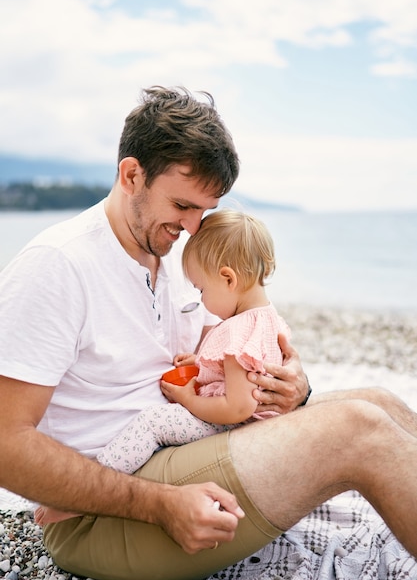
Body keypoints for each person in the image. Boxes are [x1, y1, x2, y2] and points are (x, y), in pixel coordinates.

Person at [1, 86, 417, 580]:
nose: (194, 226)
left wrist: (293, 390)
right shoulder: (58, 265)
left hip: (185, 444)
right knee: (360, 430)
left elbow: (226, 353)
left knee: (380, 402)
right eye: (182, 204)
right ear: (132, 175)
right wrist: (158, 504)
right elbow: (6, 443)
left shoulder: (173, 254)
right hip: (103, 512)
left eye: (205, 208)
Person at [35, 208, 291, 526]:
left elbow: (238, 406)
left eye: (201, 290)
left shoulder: (236, 330)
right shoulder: (267, 318)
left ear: (228, 278)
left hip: (239, 426)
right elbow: (245, 368)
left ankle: (80, 496)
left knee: (154, 423)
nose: (201, 298)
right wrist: (204, 362)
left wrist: (187, 400)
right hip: (260, 423)